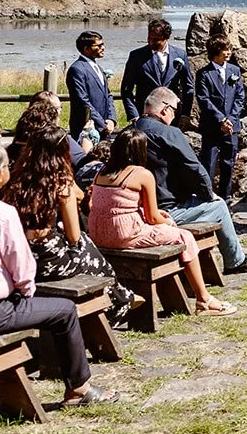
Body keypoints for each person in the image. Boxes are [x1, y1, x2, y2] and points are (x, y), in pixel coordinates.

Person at [0, 141, 118, 406]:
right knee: (64, 311)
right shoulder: (0, 213)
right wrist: (24, 291)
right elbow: (24, 270)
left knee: (43, 306)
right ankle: (79, 388)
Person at [1, 126, 143, 327]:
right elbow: (74, 236)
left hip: (18, 257)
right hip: (49, 262)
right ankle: (118, 298)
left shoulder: (14, 181)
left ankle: (120, 295)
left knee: (86, 251)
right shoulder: (61, 184)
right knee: (86, 247)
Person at [86, 129, 234, 315]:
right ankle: (204, 299)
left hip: (98, 232)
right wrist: (167, 223)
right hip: (124, 233)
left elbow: (114, 203)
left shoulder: (102, 170)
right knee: (185, 237)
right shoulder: (142, 174)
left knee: (170, 229)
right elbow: (152, 217)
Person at [132, 86, 247, 273]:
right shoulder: (168, 133)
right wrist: (208, 194)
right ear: (165, 109)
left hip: (136, 210)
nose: (175, 115)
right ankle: (235, 260)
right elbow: (195, 169)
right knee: (219, 206)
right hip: (166, 209)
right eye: (175, 109)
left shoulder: (129, 132)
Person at [195, 37, 245, 202]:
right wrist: (221, 120)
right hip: (212, 128)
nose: (229, 52)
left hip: (231, 128)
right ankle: (207, 198)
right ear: (215, 52)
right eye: (225, 50)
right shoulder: (203, 74)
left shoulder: (235, 71)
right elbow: (204, 99)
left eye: (229, 49)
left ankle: (226, 198)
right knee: (208, 163)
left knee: (228, 164)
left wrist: (230, 119)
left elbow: (239, 96)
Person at [120, 17, 193, 125]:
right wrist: (133, 115)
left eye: (156, 39)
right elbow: (126, 89)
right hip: (144, 116)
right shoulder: (136, 56)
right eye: (149, 37)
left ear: (167, 37)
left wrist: (185, 114)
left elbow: (188, 87)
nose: (150, 41)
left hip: (172, 117)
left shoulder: (180, 55)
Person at [66, 30, 118, 143]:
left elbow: (108, 95)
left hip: (104, 126)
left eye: (103, 44)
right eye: (98, 45)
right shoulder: (77, 69)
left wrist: (111, 119)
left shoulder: (98, 68)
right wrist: (102, 124)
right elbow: (83, 101)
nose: (103, 47)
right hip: (87, 127)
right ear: (86, 49)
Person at [13, 93, 88, 167]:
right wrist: (86, 135)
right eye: (57, 108)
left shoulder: (22, 134)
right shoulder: (58, 136)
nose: (60, 111)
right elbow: (83, 162)